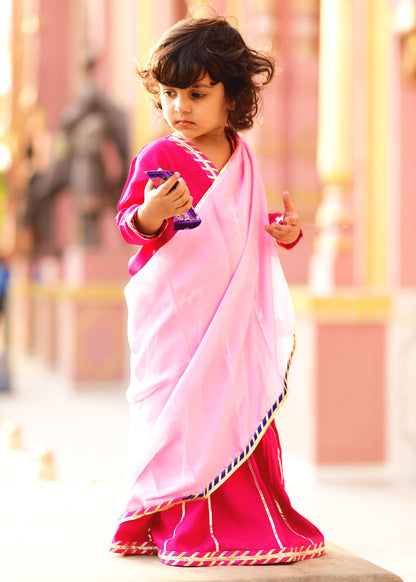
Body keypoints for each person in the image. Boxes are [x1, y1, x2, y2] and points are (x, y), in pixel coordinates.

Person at [111, 15, 324, 567]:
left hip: (230, 324)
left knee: (233, 409)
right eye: (168, 93)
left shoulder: (243, 158)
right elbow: (129, 226)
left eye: (196, 94)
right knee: (182, 416)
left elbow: (240, 226)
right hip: (177, 323)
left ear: (232, 97)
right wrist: (151, 214)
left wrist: (285, 230)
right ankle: (176, 521)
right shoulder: (159, 158)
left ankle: (251, 519)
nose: (179, 106)